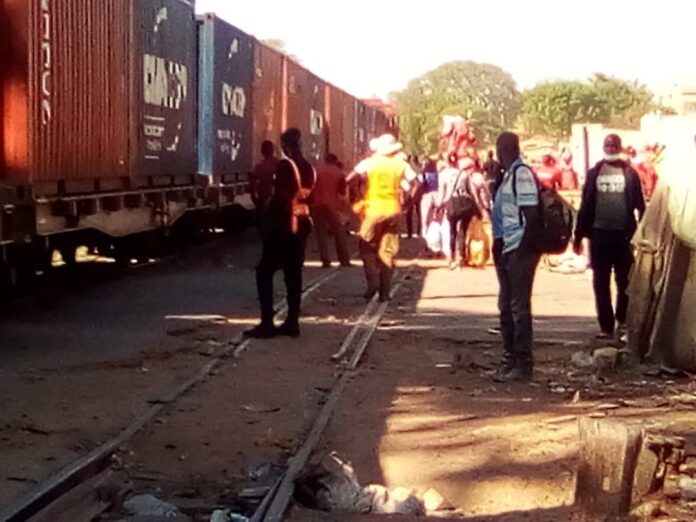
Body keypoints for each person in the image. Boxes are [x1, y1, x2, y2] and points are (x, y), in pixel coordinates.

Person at [245, 129, 316, 339]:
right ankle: (292, 321)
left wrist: (268, 217)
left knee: (264, 272)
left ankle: (267, 322)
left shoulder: (286, 165)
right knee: (294, 273)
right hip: (302, 223)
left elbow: (282, 197)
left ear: (284, 145)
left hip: (284, 226)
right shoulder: (309, 168)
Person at [573, 134, 646, 340]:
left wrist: (644, 233)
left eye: (614, 144)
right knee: (600, 282)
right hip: (599, 236)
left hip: (623, 236)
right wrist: (579, 236)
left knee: (624, 281)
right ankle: (606, 326)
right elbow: (586, 205)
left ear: (620, 147)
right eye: (607, 144)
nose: (611, 147)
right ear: (603, 147)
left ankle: (622, 321)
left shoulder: (630, 172)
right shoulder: (594, 172)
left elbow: (640, 205)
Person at [492, 132, 542, 382]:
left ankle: (523, 363)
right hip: (507, 249)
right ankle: (510, 358)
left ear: (505, 148)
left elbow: (531, 215)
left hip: (519, 249)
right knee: (506, 307)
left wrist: (522, 249)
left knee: (518, 307)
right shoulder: (507, 176)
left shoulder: (521, 174)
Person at [348, 134, 417, 301]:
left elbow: (349, 178)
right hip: (393, 210)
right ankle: (385, 292)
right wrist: (408, 201)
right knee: (388, 252)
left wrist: (355, 197)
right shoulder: (401, 164)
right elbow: (416, 183)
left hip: (373, 210)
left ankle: (372, 281)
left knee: (366, 248)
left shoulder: (370, 162)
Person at [438, 155, 481, 270]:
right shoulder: (463, 174)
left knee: (452, 231)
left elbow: (441, 194)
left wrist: (439, 205)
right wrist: (478, 206)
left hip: (451, 204)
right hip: (464, 204)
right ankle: (461, 257)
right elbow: (471, 191)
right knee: (463, 231)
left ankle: (451, 258)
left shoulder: (443, 175)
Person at [311, 153, 351, 268]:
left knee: (320, 234)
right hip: (332, 205)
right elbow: (342, 192)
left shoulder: (316, 171)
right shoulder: (339, 173)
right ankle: (344, 260)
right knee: (339, 232)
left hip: (317, 204)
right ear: (335, 161)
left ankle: (325, 260)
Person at [419, 158, 442, 254]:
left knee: (425, 221)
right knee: (437, 220)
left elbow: (421, 186)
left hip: (427, 195)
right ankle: (438, 244)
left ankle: (426, 243)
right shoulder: (438, 175)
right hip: (437, 195)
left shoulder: (423, 175)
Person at [250, 140, 278, 214]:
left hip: (263, 200)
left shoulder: (259, 167)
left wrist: (256, 201)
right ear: (273, 150)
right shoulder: (280, 165)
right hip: (277, 202)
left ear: (262, 152)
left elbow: (253, 186)